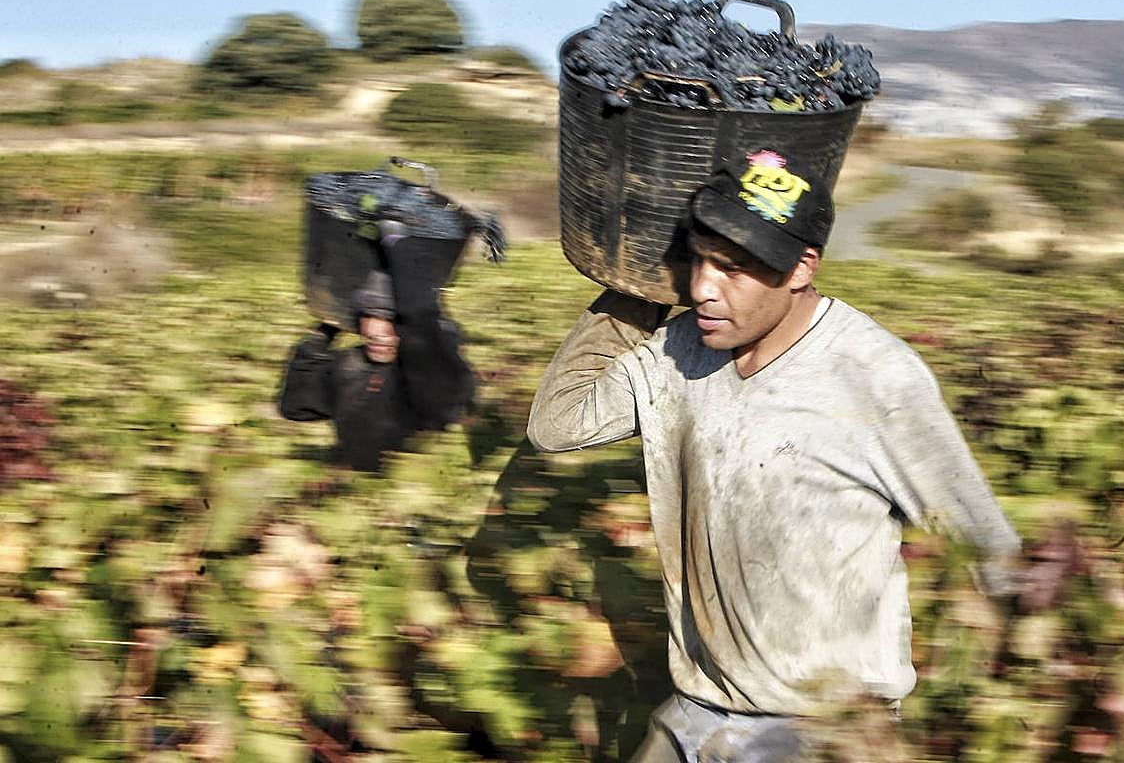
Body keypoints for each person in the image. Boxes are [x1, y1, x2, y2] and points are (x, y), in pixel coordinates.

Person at [526, 149, 1021, 761]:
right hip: (695, 707)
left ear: (800, 268)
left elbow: (985, 547)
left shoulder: (874, 376)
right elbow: (558, 424)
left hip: (818, 730)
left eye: (733, 268)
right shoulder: (681, 349)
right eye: (696, 260)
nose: (704, 288)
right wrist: (637, 288)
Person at [280, 269, 474, 472]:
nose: (376, 331)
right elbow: (297, 407)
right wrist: (324, 333)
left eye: (389, 318)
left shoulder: (433, 370)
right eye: (369, 315)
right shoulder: (349, 366)